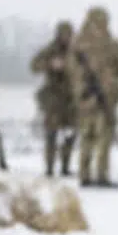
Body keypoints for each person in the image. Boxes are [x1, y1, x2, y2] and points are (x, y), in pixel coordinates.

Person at [69, 6, 118, 188]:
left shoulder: (81, 44)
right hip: (93, 98)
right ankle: (96, 175)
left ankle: (87, 175)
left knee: (92, 138)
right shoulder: (106, 44)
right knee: (97, 138)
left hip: (98, 98)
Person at [29, 21, 76, 177]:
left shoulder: (77, 51)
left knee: (70, 133)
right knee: (51, 134)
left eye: (69, 34)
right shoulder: (50, 50)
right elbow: (34, 66)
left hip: (72, 97)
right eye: (64, 34)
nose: (67, 37)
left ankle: (65, 166)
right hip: (53, 97)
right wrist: (50, 64)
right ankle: (49, 168)